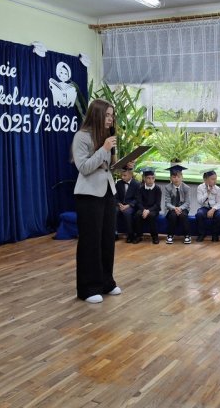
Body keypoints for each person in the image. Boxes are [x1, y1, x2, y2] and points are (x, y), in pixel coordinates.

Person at [71, 99, 122, 303]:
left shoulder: (106, 136)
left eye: (112, 115)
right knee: (90, 241)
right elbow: (84, 168)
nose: (110, 119)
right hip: (88, 194)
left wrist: (124, 165)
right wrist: (104, 149)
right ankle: (88, 288)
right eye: (107, 115)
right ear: (97, 114)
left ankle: (106, 282)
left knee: (107, 239)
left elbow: (108, 167)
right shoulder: (82, 136)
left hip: (108, 191)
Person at [163, 164, 192, 244]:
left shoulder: (186, 188)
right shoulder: (168, 187)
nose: (176, 179)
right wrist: (174, 208)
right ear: (170, 178)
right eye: (174, 177)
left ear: (182, 177)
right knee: (172, 215)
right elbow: (167, 203)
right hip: (171, 208)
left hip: (183, 208)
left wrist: (180, 208)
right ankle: (170, 235)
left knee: (183, 215)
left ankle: (187, 235)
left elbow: (187, 202)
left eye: (178, 177)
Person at [195, 169, 220, 242]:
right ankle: (202, 234)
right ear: (205, 180)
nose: (215, 181)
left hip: (215, 208)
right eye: (212, 179)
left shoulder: (217, 189)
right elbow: (200, 202)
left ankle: (215, 234)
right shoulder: (200, 187)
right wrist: (207, 193)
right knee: (199, 214)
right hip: (204, 207)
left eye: (216, 179)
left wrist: (213, 209)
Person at [134, 167, 162, 244]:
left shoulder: (157, 189)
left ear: (154, 179)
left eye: (152, 178)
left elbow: (157, 204)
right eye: (148, 178)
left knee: (151, 216)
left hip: (153, 209)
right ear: (144, 179)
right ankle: (139, 235)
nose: (151, 180)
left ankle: (155, 236)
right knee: (137, 215)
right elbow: (139, 202)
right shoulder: (141, 188)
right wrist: (144, 210)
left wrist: (148, 211)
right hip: (143, 208)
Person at [115, 165, 140, 243]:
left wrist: (128, 205)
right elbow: (115, 197)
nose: (122, 177)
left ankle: (130, 234)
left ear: (130, 175)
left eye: (124, 175)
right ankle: (114, 233)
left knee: (127, 213)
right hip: (120, 205)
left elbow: (137, 199)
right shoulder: (118, 183)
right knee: (114, 211)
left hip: (130, 205)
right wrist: (119, 204)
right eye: (122, 175)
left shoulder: (136, 184)